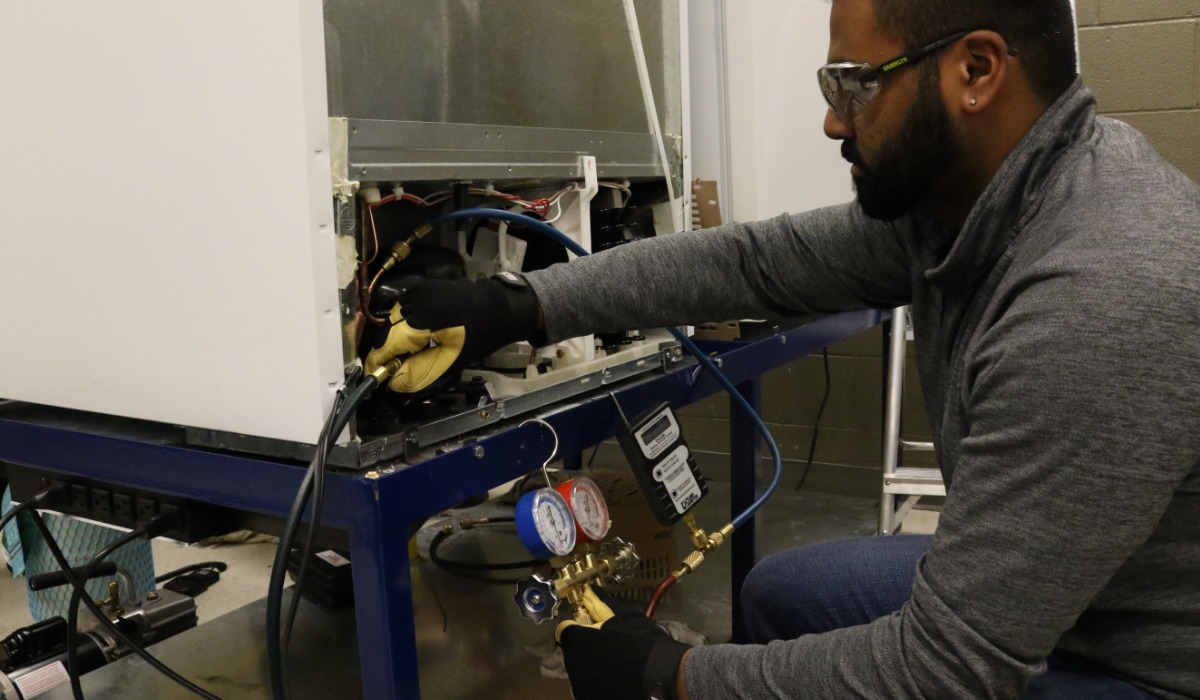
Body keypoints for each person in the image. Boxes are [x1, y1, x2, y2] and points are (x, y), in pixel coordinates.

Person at [366, 0, 1200, 697]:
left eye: (853, 83)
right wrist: (518, 303)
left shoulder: (1100, 296)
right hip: (1077, 600)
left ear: (976, 72)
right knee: (780, 594)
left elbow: (948, 669)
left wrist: (670, 676)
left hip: (1141, 666)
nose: (834, 119)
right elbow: (750, 263)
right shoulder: (971, 206)